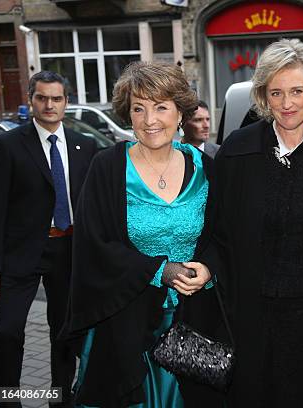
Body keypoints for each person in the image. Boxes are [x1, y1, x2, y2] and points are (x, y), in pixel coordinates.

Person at [197, 38, 303, 408]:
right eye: (276, 92)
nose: (287, 103)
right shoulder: (237, 151)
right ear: (263, 96)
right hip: (254, 319)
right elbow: (218, 232)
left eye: (296, 91)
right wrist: (207, 267)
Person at [61, 61, 223, 407]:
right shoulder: (106, 168)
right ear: (128, 114)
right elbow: (93, 246)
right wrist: (158, 270)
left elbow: (224, 236)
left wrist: (208, 268)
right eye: (139, 108)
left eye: (161, 107)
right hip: (126, 325)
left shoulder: (206, 167)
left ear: (181, 112)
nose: (150, 121)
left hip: (194, 324)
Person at [0, 71, 98, 407]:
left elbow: (93, 204)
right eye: (42, 98)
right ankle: (8, 400)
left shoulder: (86, 146)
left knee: (64, 331)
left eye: (56, 98)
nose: (49, 105)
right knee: (7, 331)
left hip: (69, 250)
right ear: (31, 99)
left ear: (67, 101)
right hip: (19, 253)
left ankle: (59, 397)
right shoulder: (8, 145)